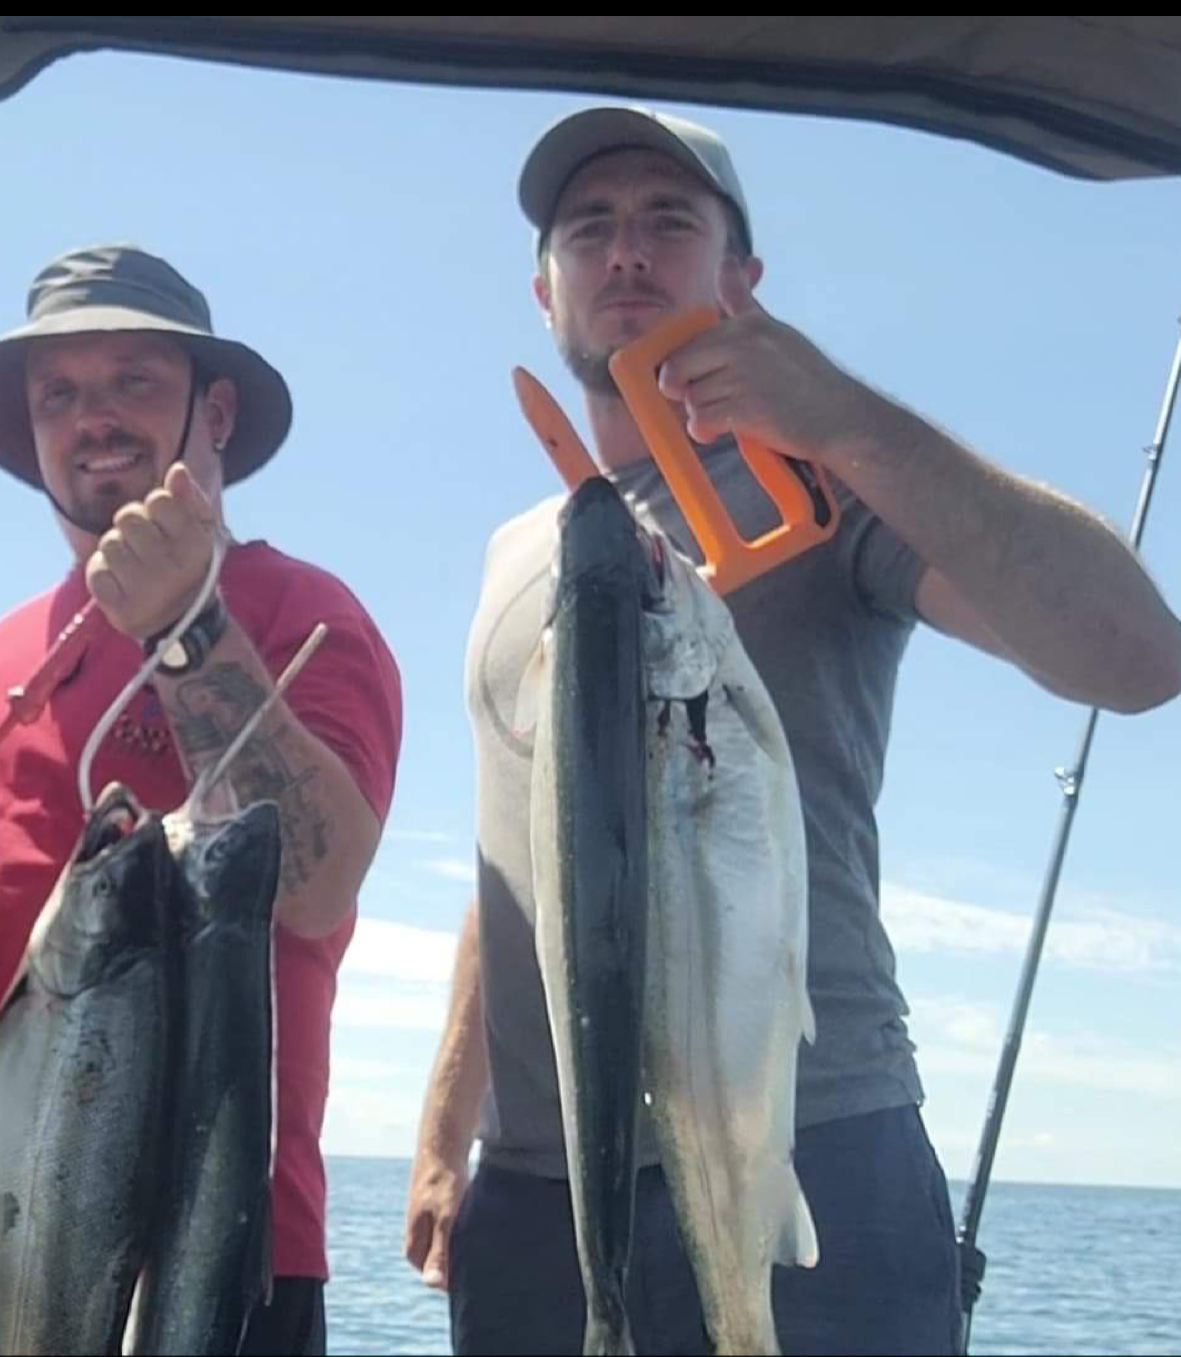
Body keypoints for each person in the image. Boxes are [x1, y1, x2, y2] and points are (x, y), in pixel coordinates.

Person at [401, 106, 1181, 1356]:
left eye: (671, 221)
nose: (625, 252)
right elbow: (528, 846)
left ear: (742, 278)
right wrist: (450, 1127)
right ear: (543, 286)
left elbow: (1135, 657)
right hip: (544, 1186)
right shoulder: (518, 549)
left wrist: (847, 422)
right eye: (589, 229)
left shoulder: (817, 483)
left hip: (812, 1140)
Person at [0, 243, 405, 1354]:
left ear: (215, 413)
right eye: (58, 394)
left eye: (133, 381)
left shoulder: (300, 612)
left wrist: (188, 630)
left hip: (204, 1263)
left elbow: (315, 887)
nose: (94, 416)